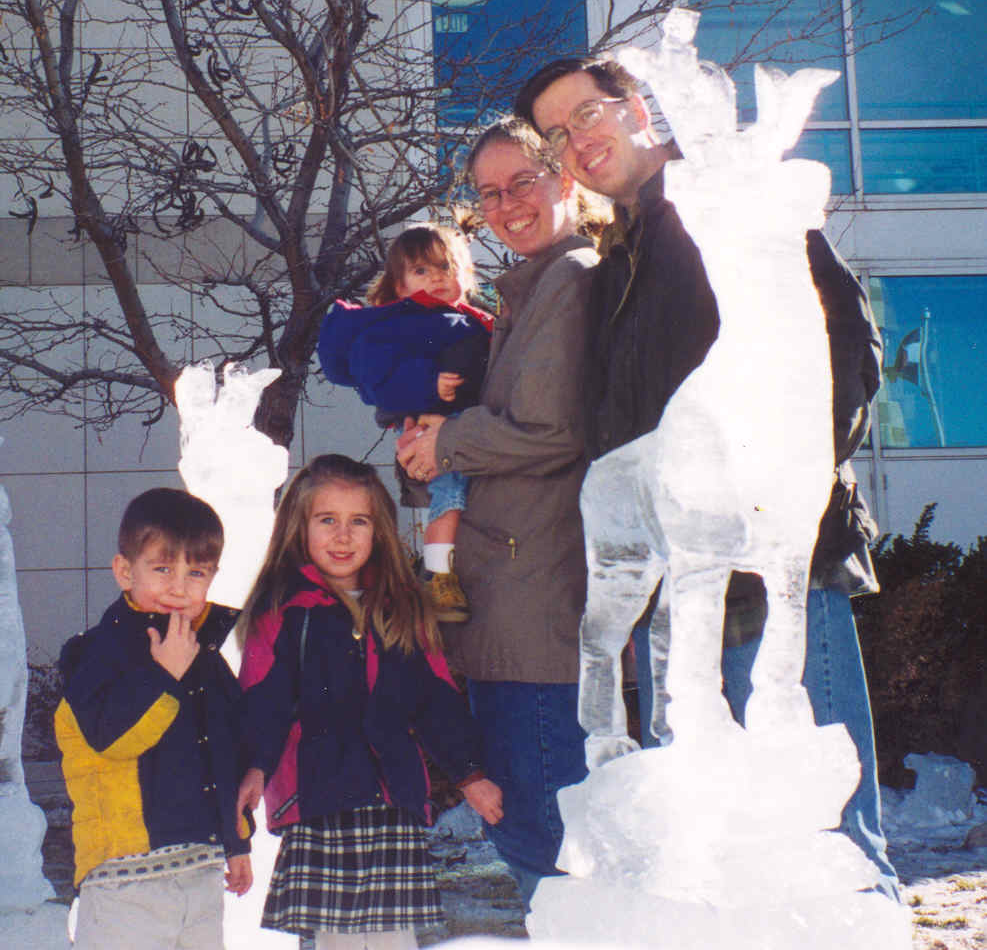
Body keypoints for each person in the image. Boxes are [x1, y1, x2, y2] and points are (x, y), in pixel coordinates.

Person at [514, 55, 901, 900]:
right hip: (678, 579)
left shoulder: (725, 200)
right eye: (556, 135)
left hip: (774, 566)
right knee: (707, 851)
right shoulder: (614, 260)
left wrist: (781, 484)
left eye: (587, 114)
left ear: (635, 105)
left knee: (818, 838)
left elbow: (843, 345)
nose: (577, 141)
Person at [395, 117, 609, 902]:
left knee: (547, 845)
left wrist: (447, 441)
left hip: (535, 619)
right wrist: (429, 447)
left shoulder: (571, 279)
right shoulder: (525, 292)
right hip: (503, 609)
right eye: (489, 193)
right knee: (527, 833)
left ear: (566, 180)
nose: (507, 203)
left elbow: (551, 429)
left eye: (523, 181)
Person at [233, 453, 503, 950]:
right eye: (327, 520)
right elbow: (262, 701)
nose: (343, 536)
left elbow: (434, 699)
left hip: (392, 798)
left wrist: (469, 773)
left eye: (359, 521)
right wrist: (254, 768)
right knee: (338, 938)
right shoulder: (282, 611)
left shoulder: (403, 607)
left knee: (393, 937)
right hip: (319, 798)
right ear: (298, 527)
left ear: (378, 530)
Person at [54, 487, 253, 950]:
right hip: (123, 879)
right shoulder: (93, 652)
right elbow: (110, 738)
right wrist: (165, 675)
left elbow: (225, 751)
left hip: (200, 871)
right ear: (125, 571)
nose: (179, 587)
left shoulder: (203, 655)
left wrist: (237, 840)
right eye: (162, 569)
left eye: (196, 572)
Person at [317, 224, 493, 623]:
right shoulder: (404, 322)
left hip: (466, 424)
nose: (437, 277)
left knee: (459, 496)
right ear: (399, 286)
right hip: (439, 426)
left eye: (446, 267)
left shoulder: (470, 317)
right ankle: (438, 573)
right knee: (450, 491)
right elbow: (376, 374)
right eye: (421, 270)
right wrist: (428, 382)